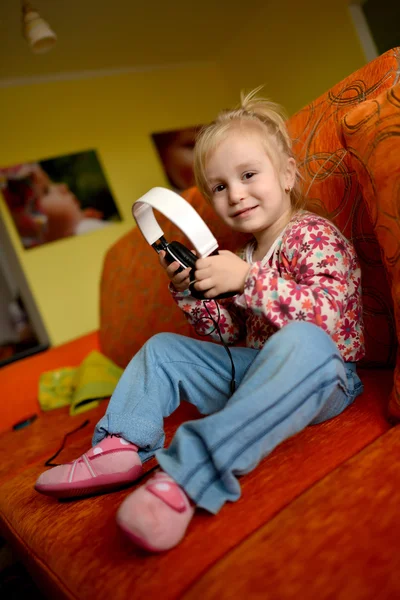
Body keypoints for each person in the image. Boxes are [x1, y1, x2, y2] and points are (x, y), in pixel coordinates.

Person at [35, 89, 365, 553]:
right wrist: (195, 292)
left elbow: (328, 318)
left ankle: (185, 480)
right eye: (220, 186)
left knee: (307, 341)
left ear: (287, 174)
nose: (236, 193)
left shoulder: (312, 235)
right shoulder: (242, 252)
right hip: (254, 369)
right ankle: (121, 446)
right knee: (162, 348)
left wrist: (248, 280)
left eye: (249, 175)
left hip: (325, 379)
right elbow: (230, 335)